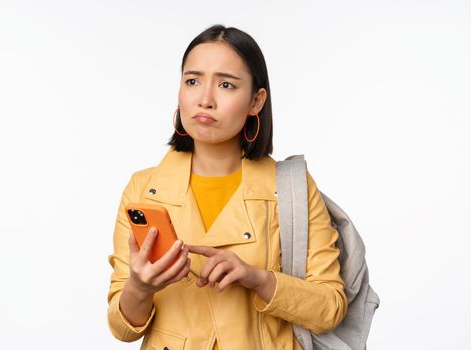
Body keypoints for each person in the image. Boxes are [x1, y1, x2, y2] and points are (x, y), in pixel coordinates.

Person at [107, 24, 347, 350]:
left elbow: (331, 308)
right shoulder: (143, 188)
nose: (205, 100)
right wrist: (140, 285)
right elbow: (123, 330)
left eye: (225, 84)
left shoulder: (290, 187)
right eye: (192, 81)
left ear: (256, 101)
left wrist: (258, 278)